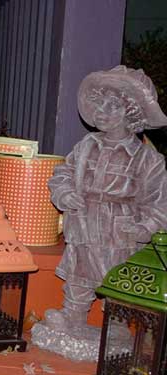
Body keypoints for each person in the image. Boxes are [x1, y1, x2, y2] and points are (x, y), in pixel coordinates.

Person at [43, 65, 167, 333]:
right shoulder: (86, 146)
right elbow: (63, 172)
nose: (102, 112)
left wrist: (144, 228)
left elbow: (159, 204)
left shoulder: (148, 159)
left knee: (117, 278)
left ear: (132, 112)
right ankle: (72, 316)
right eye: (99, 104)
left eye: (113, 106)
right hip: (84, 223)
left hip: (119, 233)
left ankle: (118, 325)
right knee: (79, 274)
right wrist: (64, 192)